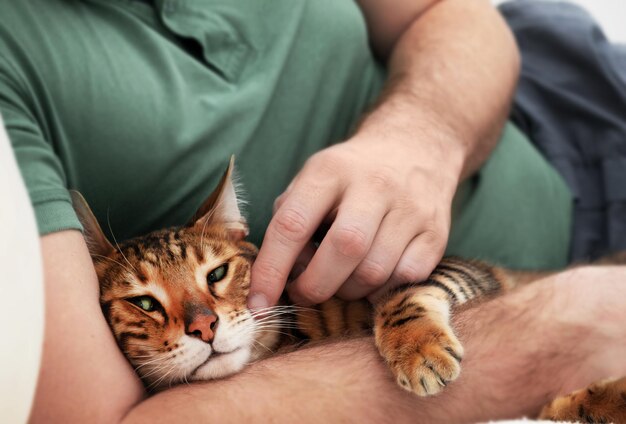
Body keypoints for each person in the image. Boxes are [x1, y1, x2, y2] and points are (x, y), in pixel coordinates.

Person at [1, 0, 624, 422]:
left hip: (567, 103)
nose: (202, 324)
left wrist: (423, 133)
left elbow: (444, 12)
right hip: (553, 307)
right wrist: (556, 334)